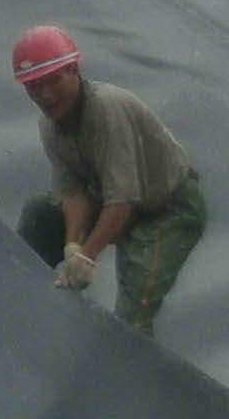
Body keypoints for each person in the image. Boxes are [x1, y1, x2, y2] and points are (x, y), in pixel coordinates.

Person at [11, 23, 204, 337]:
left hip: (166, 208)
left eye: (52, 81)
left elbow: (123, 199)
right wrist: (73, 244)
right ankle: (17, 302)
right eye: (33, 86)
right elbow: (71, 192)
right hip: (114, 200)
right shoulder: (51, 125)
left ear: (73, 70)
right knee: (41, 212)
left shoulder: (107, 110)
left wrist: (88, 256)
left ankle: (130, 368)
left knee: (132, 313)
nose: (44, 94)